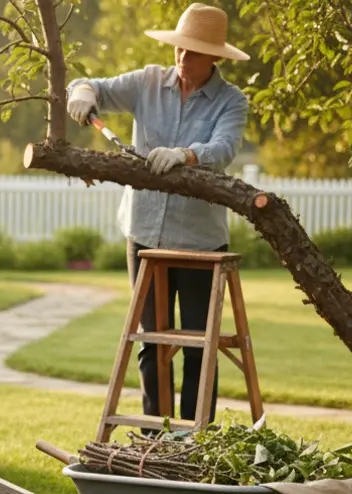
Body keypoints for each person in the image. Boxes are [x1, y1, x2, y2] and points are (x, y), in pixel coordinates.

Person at [65, 2, 250, 427]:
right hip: (145, 234)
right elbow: (93, 85)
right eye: (179, 49)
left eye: (194, 52)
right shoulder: (147, 81)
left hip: (201, 242)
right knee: (151, 341)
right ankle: (157, 438)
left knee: (198, 346)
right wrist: (83, 91)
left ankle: (195, 439)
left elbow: (223, 149)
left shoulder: (231, 101)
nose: (183, 58)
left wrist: (185, 155)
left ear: (216, 57)